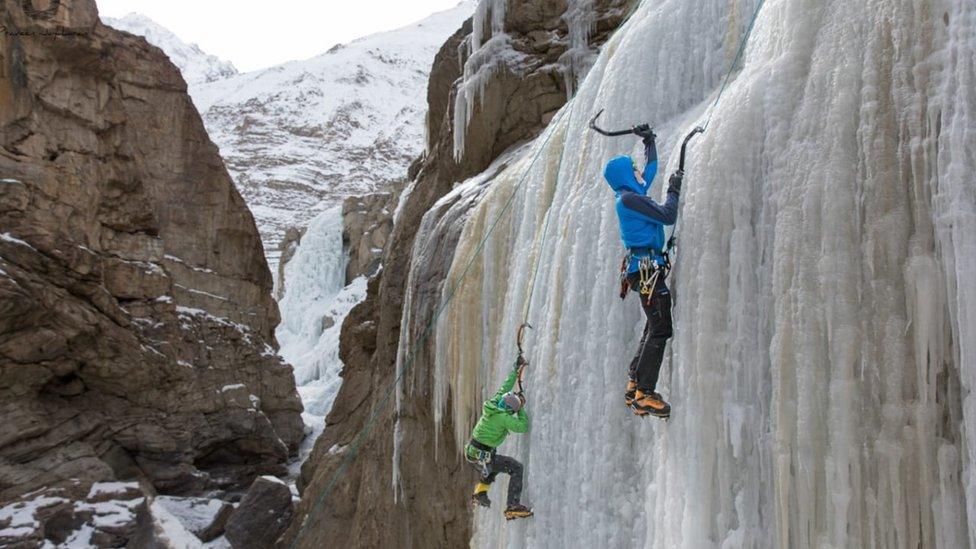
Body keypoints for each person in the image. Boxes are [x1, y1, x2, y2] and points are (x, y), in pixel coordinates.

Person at [603, 124, 682, 418]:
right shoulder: (629, 199)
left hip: (644, 270)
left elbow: (650, 169)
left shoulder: (630, 194)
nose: (640, 173)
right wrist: (673, 190)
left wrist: (649, 141)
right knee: (661, 328)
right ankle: (644, 394)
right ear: (625, 175)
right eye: (633, 169)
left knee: (652, 324)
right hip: (647, 270)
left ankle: (634, 381)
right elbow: (667, 215)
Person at [463, 358, 533, 520]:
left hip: (473, 454)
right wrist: (521, 410)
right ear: (510, 410)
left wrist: (516, 369)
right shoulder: (503, 417)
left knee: (492, 464)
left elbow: (505, 387)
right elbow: (522, 427)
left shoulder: (493, 404)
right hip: (482, 456)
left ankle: (480, 492)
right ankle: (512, 506)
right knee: (516, 468)